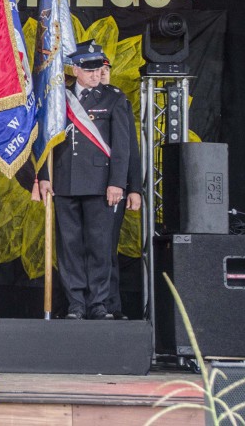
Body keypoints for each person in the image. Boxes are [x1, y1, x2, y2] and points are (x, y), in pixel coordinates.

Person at [37, 41, 133, 320]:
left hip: (100, 184)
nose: (95, 74)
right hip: (64, 182)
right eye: (88, 68)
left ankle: (99, 303)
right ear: (75, 69)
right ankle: (76, 302)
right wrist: (43, 176)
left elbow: (122, 146)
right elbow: (45, 141)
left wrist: (118, 183)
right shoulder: (58, 98)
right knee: (69, 248)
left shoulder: (114, 98)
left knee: (100, 246)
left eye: (98, 68)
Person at [99, 59, 143, 320]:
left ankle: (111, 304)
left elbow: (130, 150)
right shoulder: (71, 101)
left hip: (113, 188)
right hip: (81, 186)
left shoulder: (118, 100)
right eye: (96, 69)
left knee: (107, 248)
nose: (102, 74)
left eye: (106, 70)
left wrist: (134, 187)